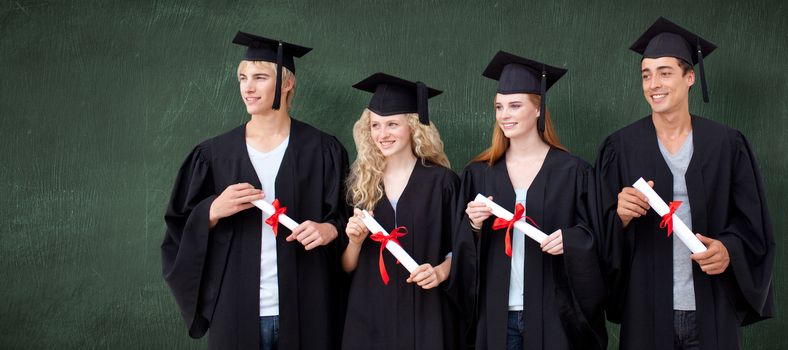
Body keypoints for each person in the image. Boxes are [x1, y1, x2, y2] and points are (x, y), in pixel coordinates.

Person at [161, 31, 350, 350]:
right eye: (242, 78)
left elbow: (350, 219)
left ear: (287, 83)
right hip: (235, 309)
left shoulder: (323, 150)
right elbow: (178, 229)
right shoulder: (213, 156)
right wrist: (211, 211)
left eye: (260, 77)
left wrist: (330, 229)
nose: (247, 87)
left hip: (309, 307)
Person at [595, 17, 775, 350]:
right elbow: (595, 235)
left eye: (665, 72)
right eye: (646, 75)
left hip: (712, 310)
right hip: (644, 310)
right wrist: (618, 217)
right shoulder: (620, 148)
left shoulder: (726, 145)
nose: (653, 84)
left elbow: (753, 225)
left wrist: (728, 249)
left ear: (689, 77)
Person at [455, 51, 607, 350]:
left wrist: (572, 240)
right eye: (499, 107)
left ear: (538, 109)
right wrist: (472, 224)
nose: (505, 115)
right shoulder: (479, 174)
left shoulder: (574, 172)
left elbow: (598, 238)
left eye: (515, 105)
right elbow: (462, 254)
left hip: (555, 316)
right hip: (497, 314)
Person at [341, 73, 461, 350]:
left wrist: (441, 272)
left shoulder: (443, 182)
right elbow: (346, 266)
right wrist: (355, 242)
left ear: (413, 127)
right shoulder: (360, 184)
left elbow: (463, 249)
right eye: (375, 126)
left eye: (392, 124)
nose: (382, 134)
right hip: (370, 315)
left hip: (428, 311)